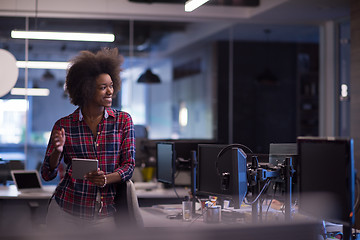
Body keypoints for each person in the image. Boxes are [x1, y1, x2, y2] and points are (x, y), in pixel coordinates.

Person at [41, 48, 135, 231]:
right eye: (102, 87)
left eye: (111, 85)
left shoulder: (123, 121)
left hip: (104, 213)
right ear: (86, 89)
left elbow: (129, 167)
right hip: (65, 211)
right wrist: (57, 152)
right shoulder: (64, 125)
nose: (110, 91)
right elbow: (47, 173)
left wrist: (106, 179)